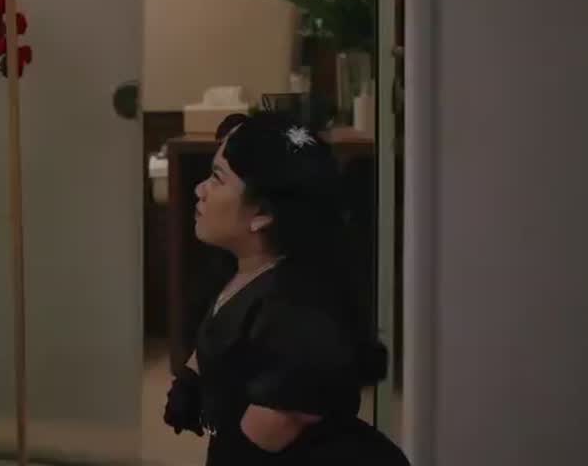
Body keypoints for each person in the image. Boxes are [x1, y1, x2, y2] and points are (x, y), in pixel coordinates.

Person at [163, 111, 410, 465]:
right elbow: (220, 334)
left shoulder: (295, 308)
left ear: (262, 214)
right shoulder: (240, 272)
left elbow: (275, 426)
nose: (199, 190)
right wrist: (190, 381)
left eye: (217, 179)